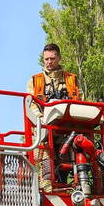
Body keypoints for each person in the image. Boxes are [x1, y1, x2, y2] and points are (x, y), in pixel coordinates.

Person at [27, 44, 80, 191]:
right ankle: (46, 183)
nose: (49, 62)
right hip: (44, 125)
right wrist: (40, 118)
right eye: (46, 59)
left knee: (79, 144)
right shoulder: (35, 81)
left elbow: (79, 101)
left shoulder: (72, 79)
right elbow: (30, 104)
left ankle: (78, 180)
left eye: (52, 58)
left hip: (68, 126)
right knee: (41, 146)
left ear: (59, 58)